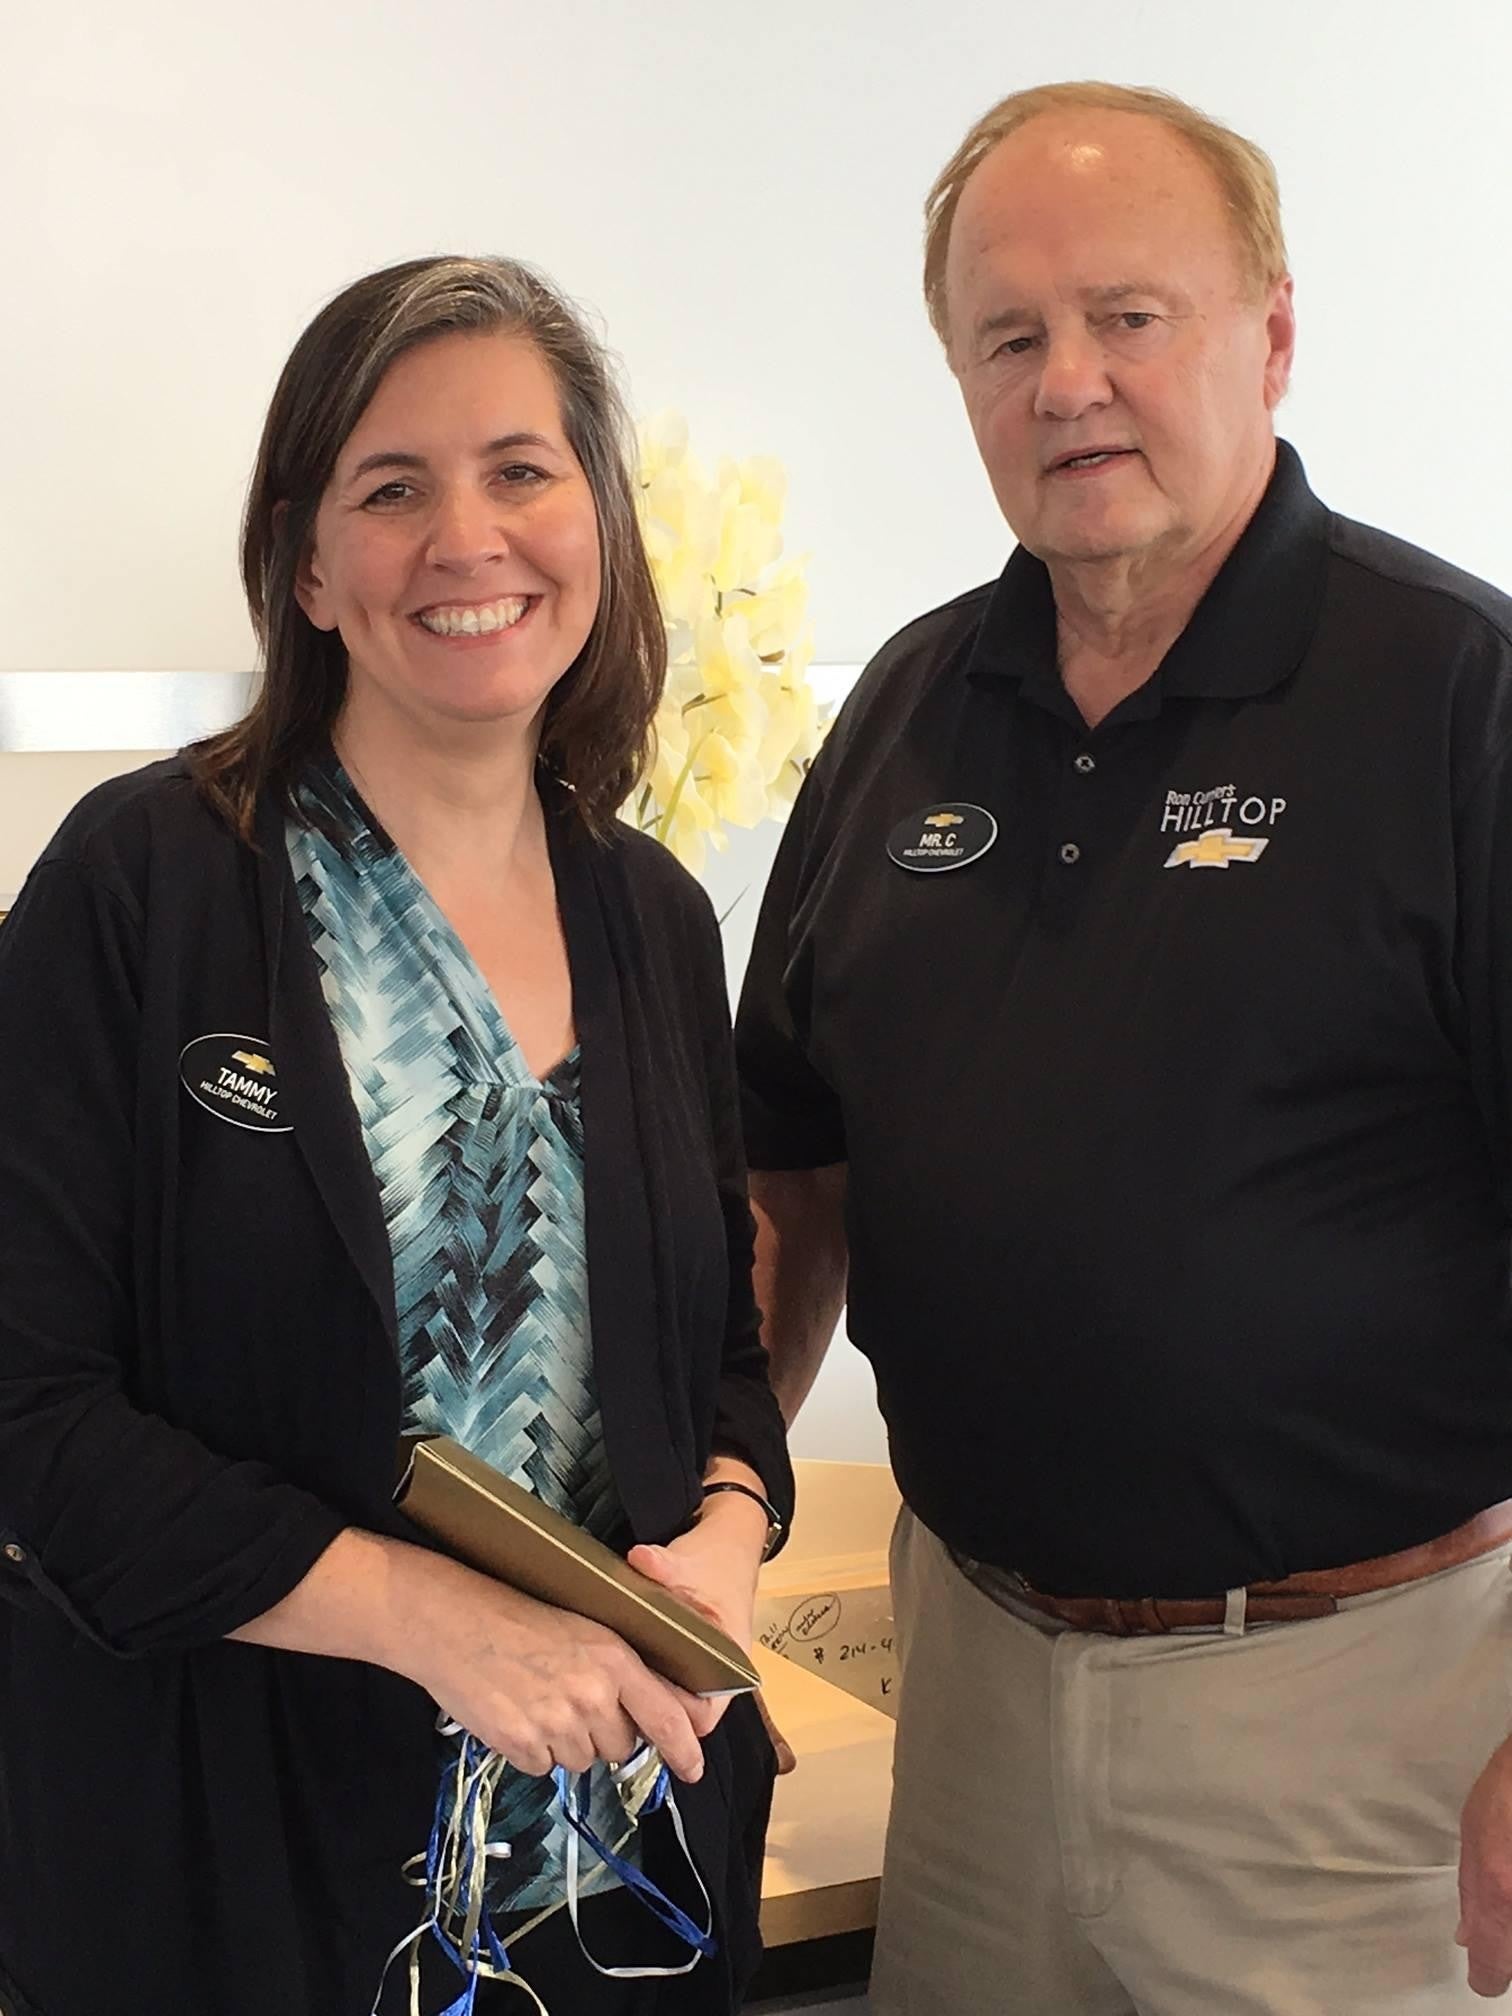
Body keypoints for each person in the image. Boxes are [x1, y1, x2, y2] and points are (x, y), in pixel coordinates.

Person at [735, 79, 1512, 2016]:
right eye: (1009, 337)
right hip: (971, 1695)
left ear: (1272, 330)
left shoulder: (1457, 703)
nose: (1067, 380)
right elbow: (793, 1174)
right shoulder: (910, 711)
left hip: (1360, 1737)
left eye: (1128, 318)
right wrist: (697, 1522)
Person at [0, 254, 792, 2016]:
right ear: (307, 562)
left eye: (521, 469)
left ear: (599, 518)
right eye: (392, 486)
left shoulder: (653, 919)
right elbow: (31, 1416)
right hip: (228, 1865)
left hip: (607, 1884)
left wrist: (727, 1536)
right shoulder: (146, 890)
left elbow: (721, 1369)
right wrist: (427, 1620)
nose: (467, 536)